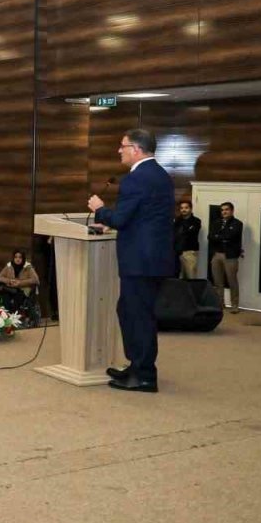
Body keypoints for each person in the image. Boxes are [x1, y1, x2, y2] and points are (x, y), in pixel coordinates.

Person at [88, 128, 175, 393]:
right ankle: (137, 366)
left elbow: (122, 218)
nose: (119, 150)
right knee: (131, 312)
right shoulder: (161, 175)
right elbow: (143, 217)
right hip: (154, 258)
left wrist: (99, 209)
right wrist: (112, 224)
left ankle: (145, 375)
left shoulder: (134, 180)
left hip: (140, 261)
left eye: (122, 146)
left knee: (138, 317)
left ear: (136, 149)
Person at [208, 202, 243, 313]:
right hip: (216, 254)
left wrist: (218, 236)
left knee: (232, 281)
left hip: (230, 256)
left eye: (227, 209)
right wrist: (221, 237)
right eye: (222, 210)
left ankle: (234, 305)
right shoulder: (216, 223)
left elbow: (230, 236)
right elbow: (210, 236)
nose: (224, 212)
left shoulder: (237, 223)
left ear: (232, 211)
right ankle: (220, 303)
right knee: (218, 282)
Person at [0, 250, 39, 322]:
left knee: (18, 298)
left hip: (23, 290)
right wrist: (9, 280)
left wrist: (20, 283)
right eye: (16, 257)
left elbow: (36, 280)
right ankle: (6, 316)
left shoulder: (28, 267)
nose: (17, 259)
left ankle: (14, 318)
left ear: (23, 258)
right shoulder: (9, 266)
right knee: (4, 296)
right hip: (10, 289)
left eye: (20, 257)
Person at [172, 201, 201, 280]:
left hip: (189, 252)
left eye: (186, 208)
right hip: (177, 253)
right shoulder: (177, 221)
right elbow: (174, 235)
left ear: (191, 209)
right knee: (178, 278)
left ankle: (192, 293)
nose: (183, 210)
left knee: (190, 278)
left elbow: (188, 233)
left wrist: (182, 232)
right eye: (181, 208)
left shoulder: (196, 221)